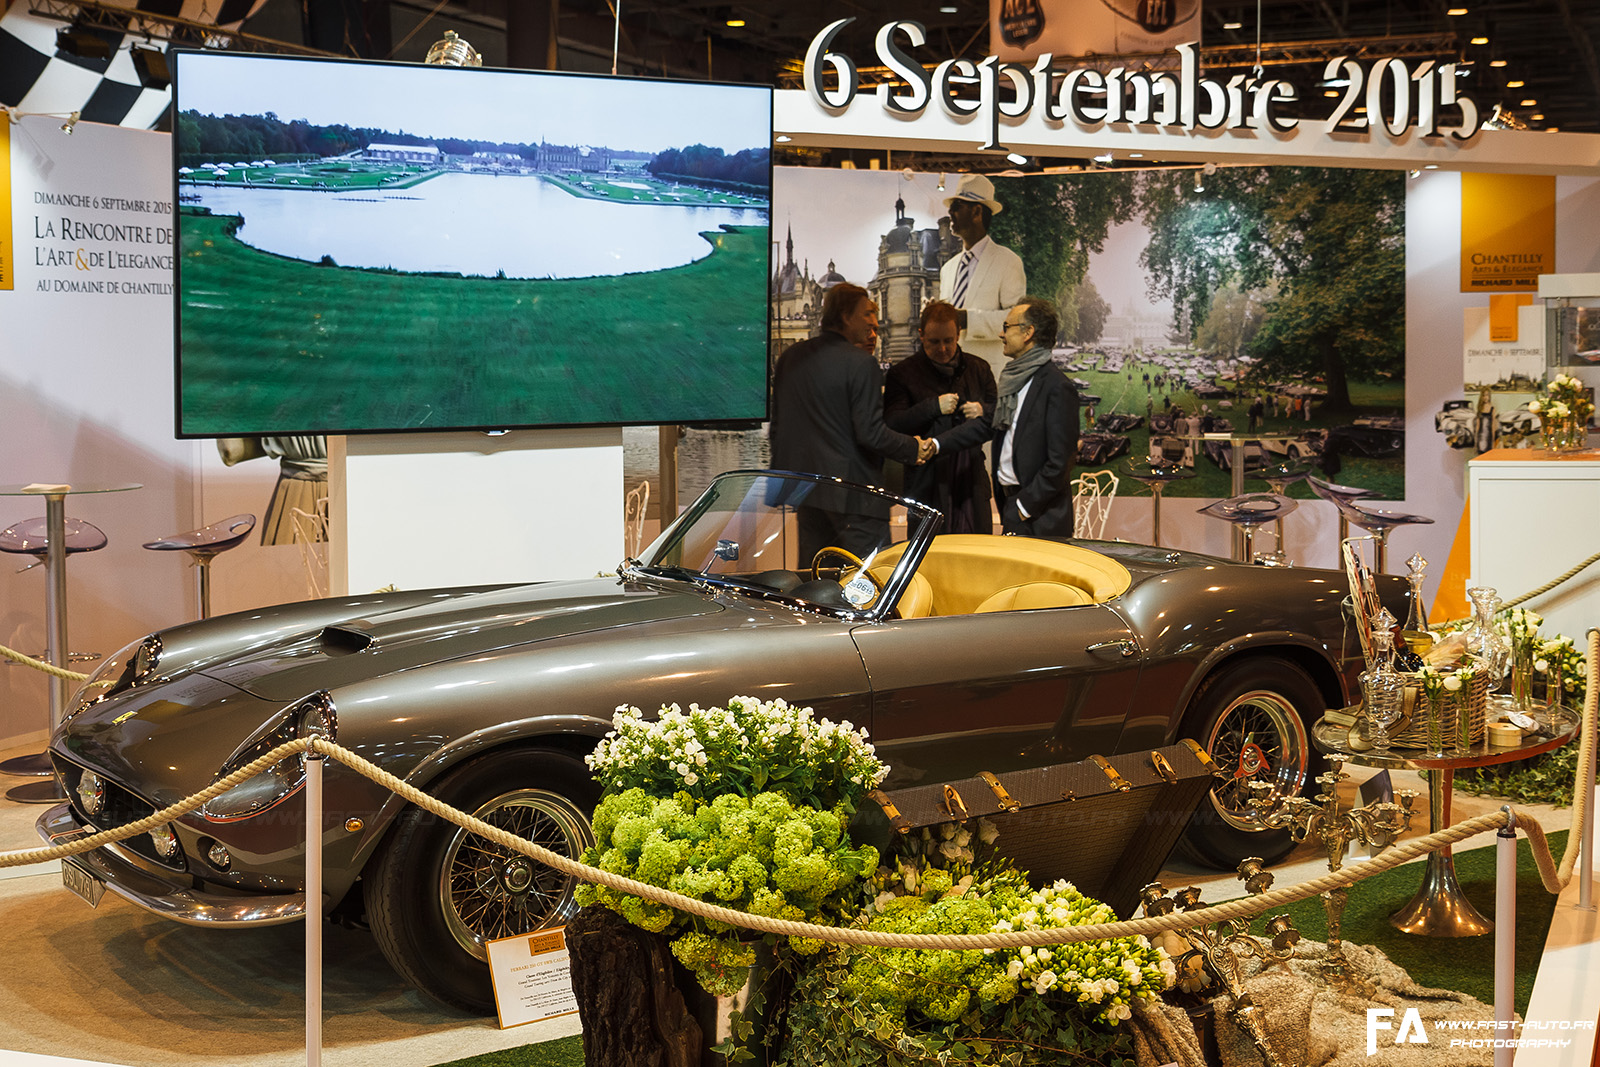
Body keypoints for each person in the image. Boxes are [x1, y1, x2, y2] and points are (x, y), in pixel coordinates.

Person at [770, 283, 933, 563]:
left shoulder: (790, 358)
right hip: (855, 498)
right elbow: (871, 434)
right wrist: (913, 447)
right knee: (870, 579)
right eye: (867, 313)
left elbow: (778, 429)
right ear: (846, 316)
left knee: (815, 578)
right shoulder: (861, 364)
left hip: (806, 492)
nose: (872, 321)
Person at [933, 296, 1079, 537]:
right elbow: (987, 425)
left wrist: (1023, 508)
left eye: (1007, 327)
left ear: (1028, 332)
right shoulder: (1013, 381)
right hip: (1012, 508)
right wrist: (935, 444)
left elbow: (1060, 462)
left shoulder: (1057, 387)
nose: (1001, 334)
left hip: (1041, 519)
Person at [883, 301, 997, 534]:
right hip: (926, 485)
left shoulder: (979, 368)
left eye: (949, 340)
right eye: (934, 342)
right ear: (921, 335)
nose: (943, 349)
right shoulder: (902, 373)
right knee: (929, 555)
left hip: (972, 484)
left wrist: (983, 409)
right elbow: (893, 424)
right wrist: (932, 407)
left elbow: (998, 419)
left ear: (958, 335)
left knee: (979, 552)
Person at [938, 174, 1027, 382]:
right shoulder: (948, 269)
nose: (950, 212)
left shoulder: (1008, 262)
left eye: (957, 206)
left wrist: (968, 319)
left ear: (977, 212)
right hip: (949, 378)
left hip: (989, 378)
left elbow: (1017, 323)